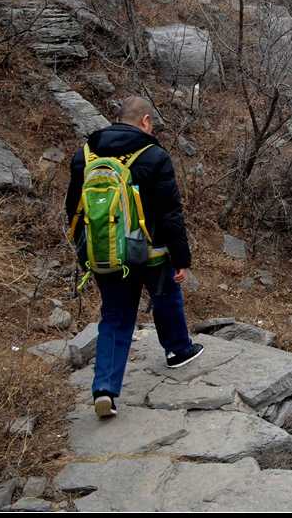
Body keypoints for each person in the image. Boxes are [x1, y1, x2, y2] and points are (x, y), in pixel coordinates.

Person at [65, 96, 203, 419]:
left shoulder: (85, 154)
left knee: (115, 316)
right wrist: (181, 258)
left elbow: (74, 209)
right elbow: (171, 215)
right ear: (144, 122)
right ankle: (178, 350)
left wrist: (85, 249)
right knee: (167, 293)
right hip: (150, 253)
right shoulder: (154, 155)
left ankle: (105, 390)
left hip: (107, 252)